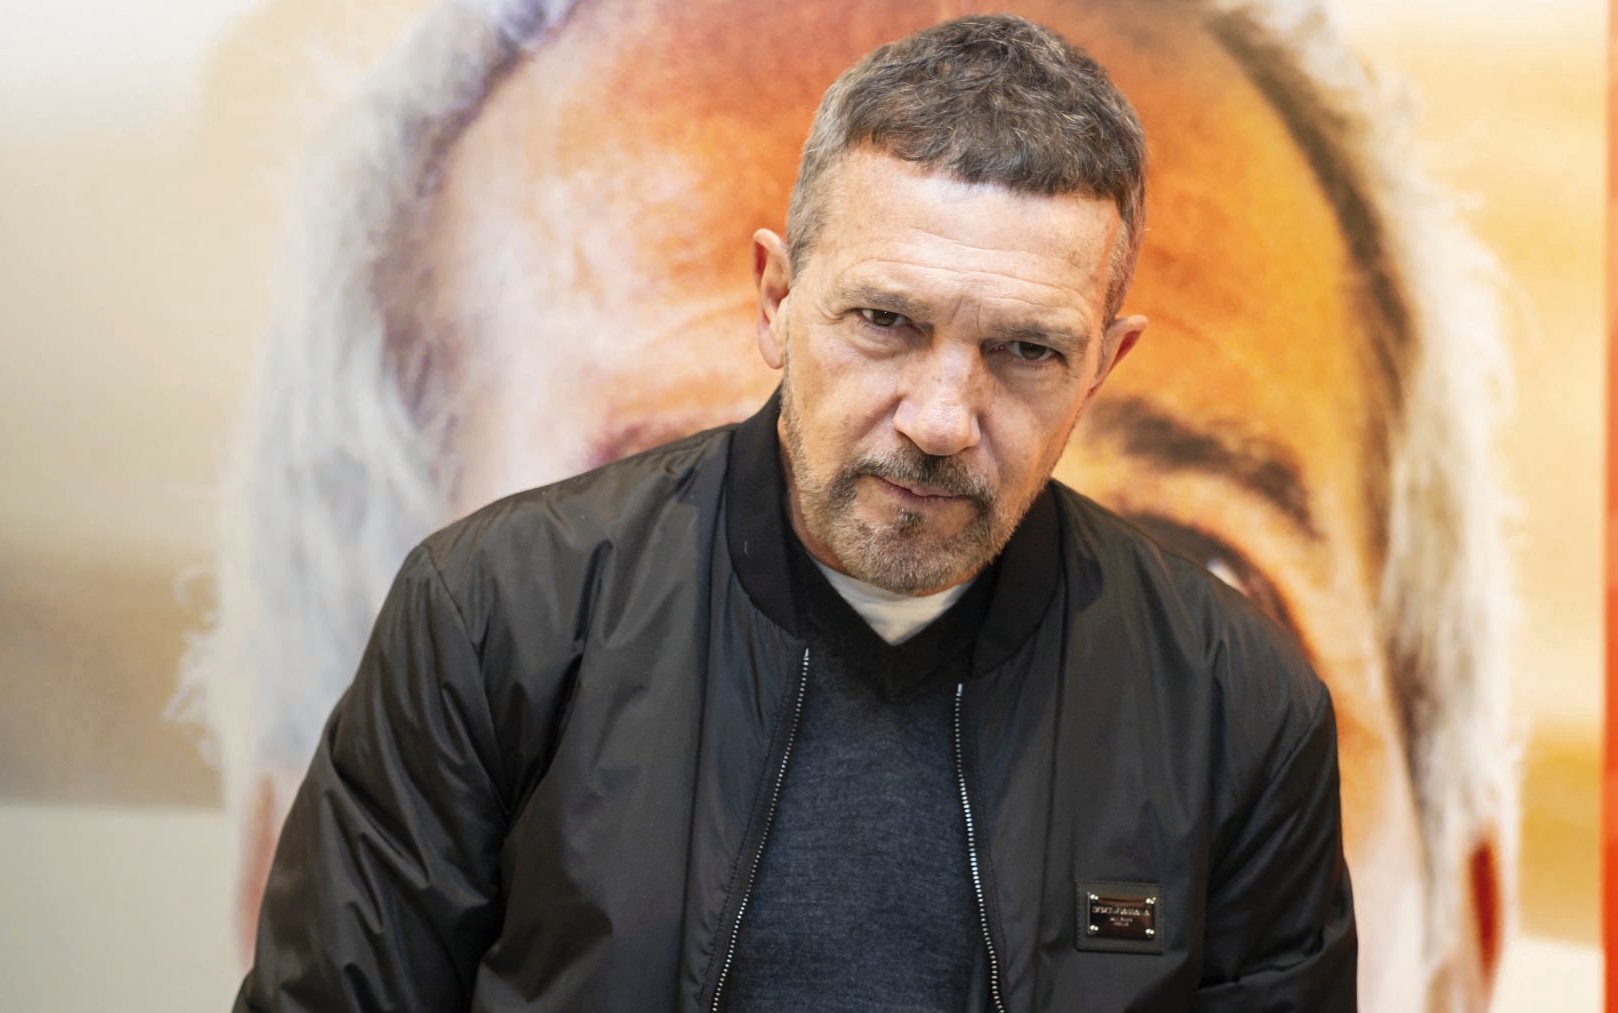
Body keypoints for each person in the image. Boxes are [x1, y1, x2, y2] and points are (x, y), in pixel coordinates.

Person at [187, 0, 1512, 1008]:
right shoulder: (487, 615)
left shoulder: (1237, 699)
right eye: (883, 320)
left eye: (1027, 350)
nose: (941, 417)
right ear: (777, 298)